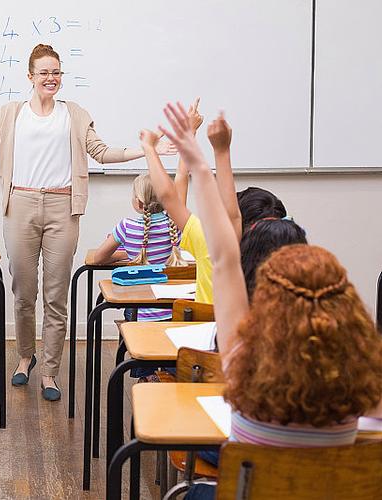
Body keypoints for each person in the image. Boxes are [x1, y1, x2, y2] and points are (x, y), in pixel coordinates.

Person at [0, 44, 176, 400]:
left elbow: (103, 153)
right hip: (21, 204)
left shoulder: (74, 114)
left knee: (56, 296)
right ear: (29, 76)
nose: (51, 78)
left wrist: (148, 150)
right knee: (24, 292)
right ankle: (25, 358)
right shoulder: (11, 113)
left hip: (63, 206)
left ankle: (51, 372)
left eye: (56, 71)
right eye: (43, 72)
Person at [159, 102, 382, 499]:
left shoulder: (242, 359)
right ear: (347, 306)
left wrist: (200, 155)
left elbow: (227, 257)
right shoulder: (365, 378)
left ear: (268, 293)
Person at [91, 173, 185, 323]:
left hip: (137, 313)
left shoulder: (127, 226)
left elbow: (98, 258)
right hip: (172, 311)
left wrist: (124, 255)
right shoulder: (175, 225)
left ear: (138, 202)